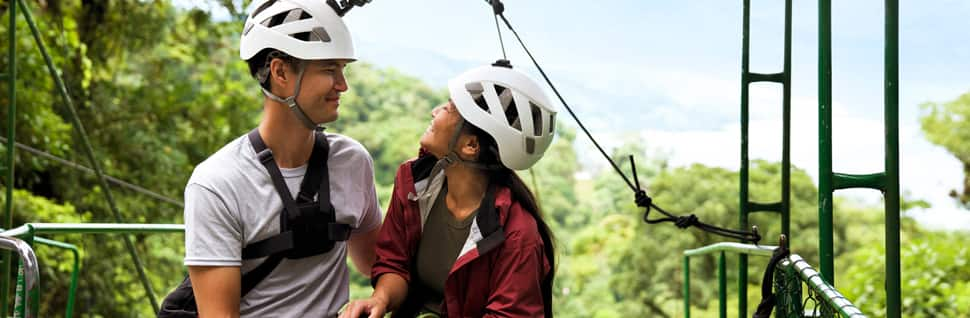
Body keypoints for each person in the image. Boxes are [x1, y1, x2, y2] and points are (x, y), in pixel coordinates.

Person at [182, 0, 380, 316]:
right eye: (330, 69)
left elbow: (379, 265)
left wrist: (379, 298)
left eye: (343, 69)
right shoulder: (217, 183)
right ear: (281, 72)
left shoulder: (352, 162)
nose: (343, 85)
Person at [341, 61, 558, 318]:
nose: (435, 112)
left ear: (470, 145)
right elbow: (395, 262)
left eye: (449, 108)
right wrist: (380, 299)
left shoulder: (518, 236)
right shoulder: (414, 185)